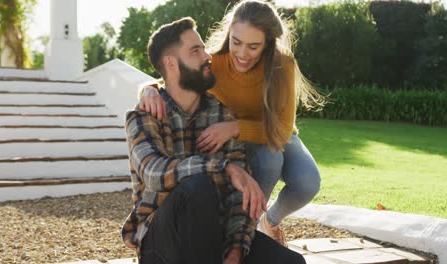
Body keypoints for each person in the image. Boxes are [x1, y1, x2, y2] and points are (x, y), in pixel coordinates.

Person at [139, 0, 325, 247]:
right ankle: (247, 234)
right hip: (240, 140)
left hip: (272, 131)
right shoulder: (216, 62)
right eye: (236, 42)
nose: (242, 53)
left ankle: (268, 221)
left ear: (268, 43)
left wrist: (235, 127)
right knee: (270, 159)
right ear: (229, 35)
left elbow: (281, 129)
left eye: (253, 46)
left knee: (308, 182)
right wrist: (147, 90)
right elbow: (170, 78)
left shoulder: (282, 64)